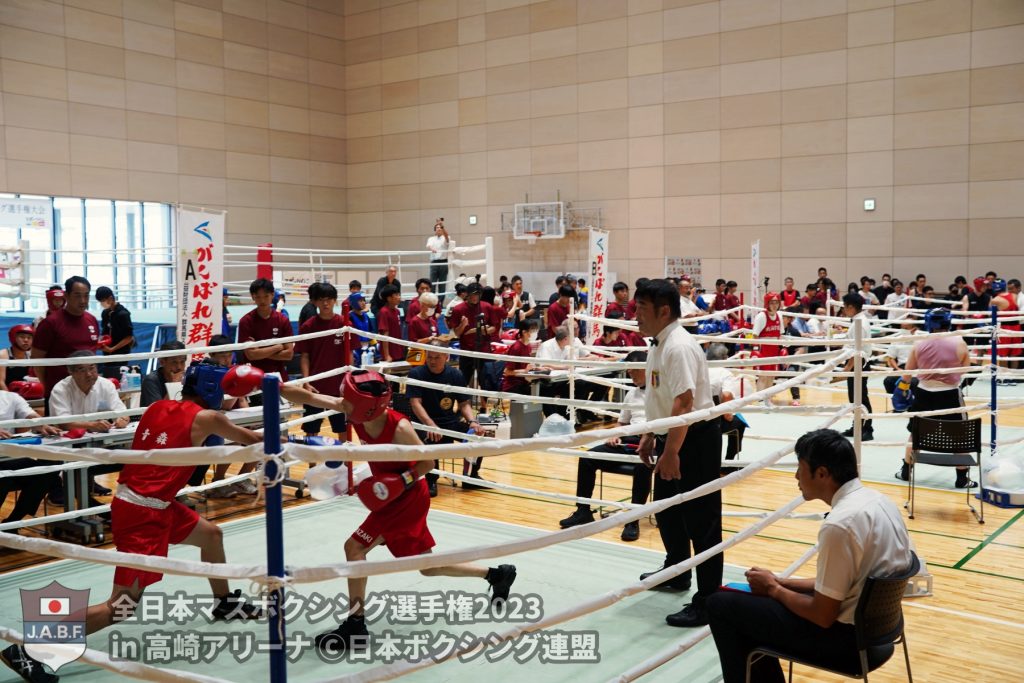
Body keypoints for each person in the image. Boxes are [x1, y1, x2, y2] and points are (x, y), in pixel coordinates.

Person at [0, 364, 268, 683]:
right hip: (144, 514)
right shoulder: (209, 418)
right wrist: (294, 436)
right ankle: (27, 648)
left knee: (211, 535)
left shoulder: (158, 406)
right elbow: (253, 440)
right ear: (212, 389)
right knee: (120, 607)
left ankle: (223, 603)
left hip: (152, 502)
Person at [278, 370, 517, 654]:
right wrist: (272, 386)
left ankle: (355, 625)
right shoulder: (354, 408)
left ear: (366, 406)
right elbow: (309, 397)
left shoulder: (400, 428)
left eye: (349, 400)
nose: (343, 404)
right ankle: (496, 575)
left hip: (406, 497)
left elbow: (428, 463)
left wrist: (399, 481)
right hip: (390, 497)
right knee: (426, 566)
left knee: (354, 548)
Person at [706, 428, 914, 683]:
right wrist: (782, 582)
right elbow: (848, 585)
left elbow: (822, 615)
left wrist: (773, 589)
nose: (796, 476)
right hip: (880, 632)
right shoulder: (881, 502)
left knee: (720, 605)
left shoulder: (840, 524)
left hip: (847, 643)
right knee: (747, 610)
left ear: (822, 473)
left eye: (800, 468)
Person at [635, 279, 721, 627]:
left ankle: (709, 600)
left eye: (641, 308)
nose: (635, 315)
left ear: (664, 311)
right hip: (672, 435)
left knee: (701, 520)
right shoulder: (659, 343)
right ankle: (677, 570)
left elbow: (684, 401)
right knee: (668, 510)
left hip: (693, 439)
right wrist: (650, 434)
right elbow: (660, 395)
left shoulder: (678, 346)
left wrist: (671, 451)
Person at [558, 350, 653, 542]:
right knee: (587, 458)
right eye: (629, 372)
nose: (630, 376)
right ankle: (583, 510)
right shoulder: (632, 393)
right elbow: (622, 422)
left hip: (652, 442)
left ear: (646, 369)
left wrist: (651, 437)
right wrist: (615, 435)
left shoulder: (661, 392)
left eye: (634, 371)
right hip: (629, 440)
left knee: (643, 466)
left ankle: (633, 520)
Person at [894, 308, 975, 488]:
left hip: (923, 394)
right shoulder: (959, 342)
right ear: (948, 322)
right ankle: (962, 478)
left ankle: (906, 471)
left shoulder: (919, 343)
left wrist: (902, 390)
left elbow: (907, 375)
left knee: (915, 434)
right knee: (959, 436)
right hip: (950, 394)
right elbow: (966, 369)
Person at [407, 344, 485, 497]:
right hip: (424, 424)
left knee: (476, 436)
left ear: (446, 357)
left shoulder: (455, 374)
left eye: (437, 357)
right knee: (431, 438)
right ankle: (431, 480)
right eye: (429, 357)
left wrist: (473, 422)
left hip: (449, 422)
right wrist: (430, 425)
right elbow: (415, 403)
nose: (432, 361)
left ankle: (470, 477)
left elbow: (464, 403)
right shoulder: (416, 373)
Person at [0, 390, 61, 529]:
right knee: (3, 478)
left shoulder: (11, 397)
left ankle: (12, 524)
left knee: (48, 469)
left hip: (10, 457)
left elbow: (31, 416)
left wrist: (43, 426)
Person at [295, 282, 348, 441]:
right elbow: (304, 356)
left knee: (343, 428)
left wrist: (348, 381)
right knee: (311, 429)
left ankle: (345, 457)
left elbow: (350, 354)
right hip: (315, 387)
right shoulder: (308, 326)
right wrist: (306, 382)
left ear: (335, 300)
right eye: (321, 300)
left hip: (338, 386)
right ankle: (312, 459)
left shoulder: (344, 324)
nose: (325, 303)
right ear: (314, 302)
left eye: (329, 299)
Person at [238, 277, 294, 392]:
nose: (262, 300)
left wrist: (260, 351)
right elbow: (251, 355)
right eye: (258, 297)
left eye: (266, 296)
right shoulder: (246, 321)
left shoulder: (282, 320)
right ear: (253, 297)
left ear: (272, 295)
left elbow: (289, 354)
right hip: (253, 377)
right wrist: (277, 347)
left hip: (278, 375)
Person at [839, 293, 874, 441]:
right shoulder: (858, 321)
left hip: (859, 364)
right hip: (857, 363)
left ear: (851, 307)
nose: (843, 309)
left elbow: (857, 350)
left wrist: (848, 367)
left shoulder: (860, 323)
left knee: (861, 397)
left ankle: (867, 429)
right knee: (855, 398)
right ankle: (857, 426)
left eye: (844, 307)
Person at [95, 285, 135, 378]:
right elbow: (104, 332)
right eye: (100, 302)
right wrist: (101, 344)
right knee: (108, 377)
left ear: (110, 298)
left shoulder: (123, 314)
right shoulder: (105, 313)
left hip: (121, 353)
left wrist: (112, 349)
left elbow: (129, 337)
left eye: (103, 301)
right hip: (107, 352)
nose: (102, 304)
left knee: (118, 378)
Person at [751, 292, 784, 404]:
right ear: (767, 303)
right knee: (763, 376)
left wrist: (782, 347)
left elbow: (780, 334)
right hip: (763, 349)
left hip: (774, 349)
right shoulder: (761, 316)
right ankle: (760, 400)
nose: (774, 305)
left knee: (771, 376)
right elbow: (755, 335)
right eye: (772, 303)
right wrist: (756, 351)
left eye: (776, 302)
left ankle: (768, 399)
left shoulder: (779, 315)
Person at [140, 341, 187, 407]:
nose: (179, 367)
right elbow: (158, 410)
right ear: (162, 362)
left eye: (182, 362)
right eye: (174, 362)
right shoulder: (151, 380)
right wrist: (174, 384)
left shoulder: (187, 378)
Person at [500, 320, 539, 395]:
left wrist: (538, 369)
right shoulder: (516, 348)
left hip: (524, 383)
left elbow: (526, 367)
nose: (535, 333)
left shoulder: (528, 346)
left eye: (536, 330)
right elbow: (507, 372)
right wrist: (524, 371)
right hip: (513, 386)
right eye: (533, 331)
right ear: (524, 332)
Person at [375, 284, 405, 362]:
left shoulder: (397, 311)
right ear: (389, 298)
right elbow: (385, 334)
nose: (399, 297)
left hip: (399, 350)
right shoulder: (384, 312)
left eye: (399, 294)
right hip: (390, 353)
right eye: (396, 295)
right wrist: (387, 355)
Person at [0, 324, 34, 391]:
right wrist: (10, 396)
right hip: (4, 394)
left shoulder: (30, 355)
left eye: (29, 337)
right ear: (13, 338)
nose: (26, 340)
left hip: (24, 393)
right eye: (22, 337)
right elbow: (0, 382)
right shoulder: (3, 355)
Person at [427, 218, 450, 298]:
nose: (439, 229)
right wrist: (432, 249)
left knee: (442, 284)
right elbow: (429, 246)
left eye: (440, 227)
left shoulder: (445, 237)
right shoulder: (431, 239)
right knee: (432, 283)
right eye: (437, 227)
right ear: (435, 230)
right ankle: (432, 302)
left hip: (443, 262)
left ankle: (440, 303)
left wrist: (442, 225)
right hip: (434, 262)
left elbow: (447, 237)